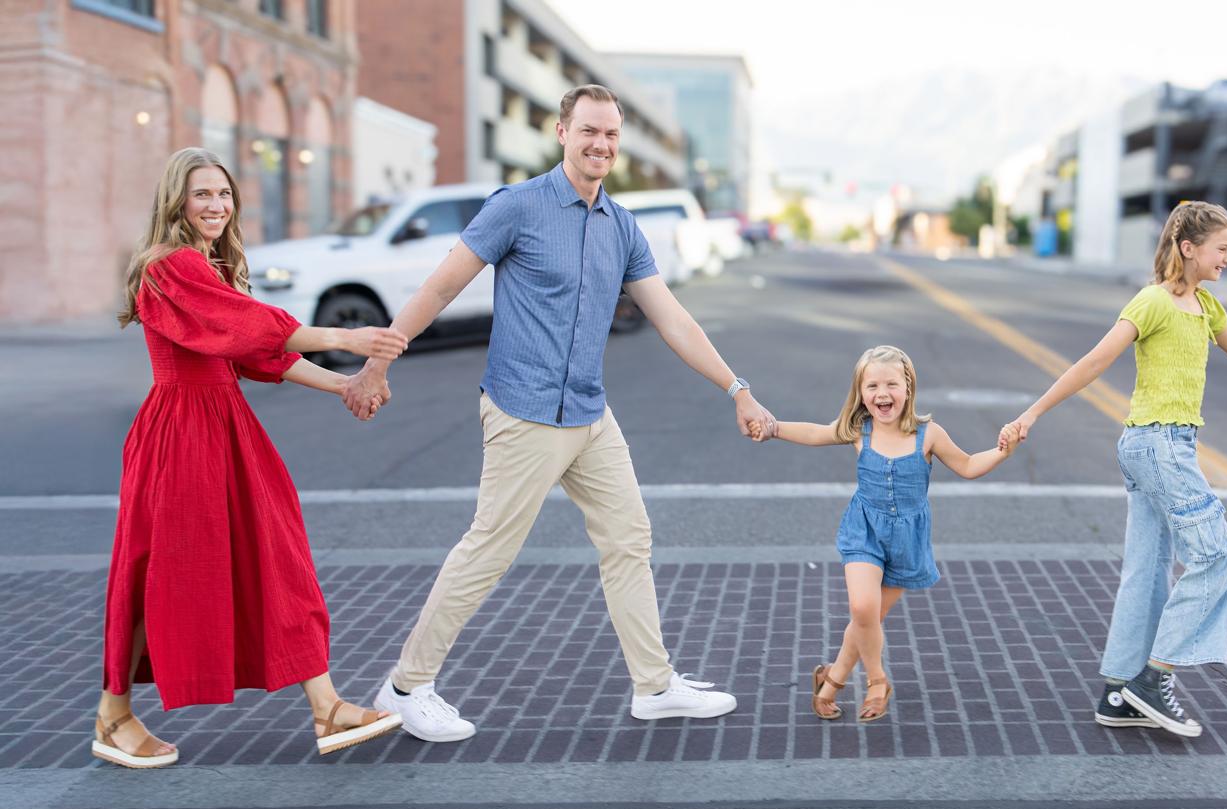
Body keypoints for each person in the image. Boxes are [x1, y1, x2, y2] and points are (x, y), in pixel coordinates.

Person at [341, 86, 772, 741]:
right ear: (562, 131)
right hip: (524, 412)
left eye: (611, 135)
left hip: (590, 415)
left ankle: (654, 686)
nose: (601, 144)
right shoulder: (518, 207)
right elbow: (441, 284)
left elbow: (673, 318)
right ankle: (404, 688)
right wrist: (379, 360)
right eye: (589, 131)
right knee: (487, 550)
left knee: (629, 539)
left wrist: (735, 385)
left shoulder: (621, 225)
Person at [93, 147, 408, 769]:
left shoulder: (207, 267)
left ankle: (327, 705)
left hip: (224, 426)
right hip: (181, 432)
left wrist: (343, 384)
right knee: (159, 571)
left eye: (224, 195)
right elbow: (254, 329)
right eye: (202, 194)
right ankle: (113, 715)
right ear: (176, 201)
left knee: (277, 556)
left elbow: (260, 353)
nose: (216, 206)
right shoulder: (169, 265)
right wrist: (345, 336)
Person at [1002, 200, 1227, 738]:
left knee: (1147, 572)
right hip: (1158, 446)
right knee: (1215, 555)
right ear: (1188, 249)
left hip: (1159, 446)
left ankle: (1119, 693)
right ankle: (1153, 677)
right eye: (1222, 249)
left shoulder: (1206, 307)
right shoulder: (1153, 302)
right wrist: (1032, 412)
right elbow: (1094, 360)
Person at [754, 346, 1017, 722]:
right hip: (865, 531)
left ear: (908, 388)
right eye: (872, 385)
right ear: (861, 393)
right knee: (863, 608)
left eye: (892, 383)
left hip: (906, 542)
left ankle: (830, 682)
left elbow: (970, 465)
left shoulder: (929, 434)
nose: (882, 393)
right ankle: (878, 681)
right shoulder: (859, 430)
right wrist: (774, 428)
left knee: (867, 621)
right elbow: (816, 432)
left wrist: (1003, 451)